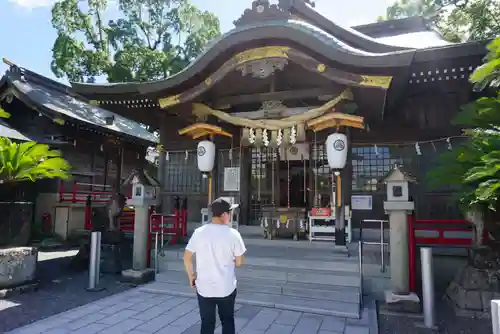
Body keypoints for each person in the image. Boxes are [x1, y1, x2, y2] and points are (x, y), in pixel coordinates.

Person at [183, 197, 246, 334]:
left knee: (207, 323)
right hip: (226, 287)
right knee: (227, 321)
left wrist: (191, 276)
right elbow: (239, 262)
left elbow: (187, 257)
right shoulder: (233, 234)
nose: (231, 215)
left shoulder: (199, 233)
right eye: (230, 213)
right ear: (224, 215)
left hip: (204, 287)